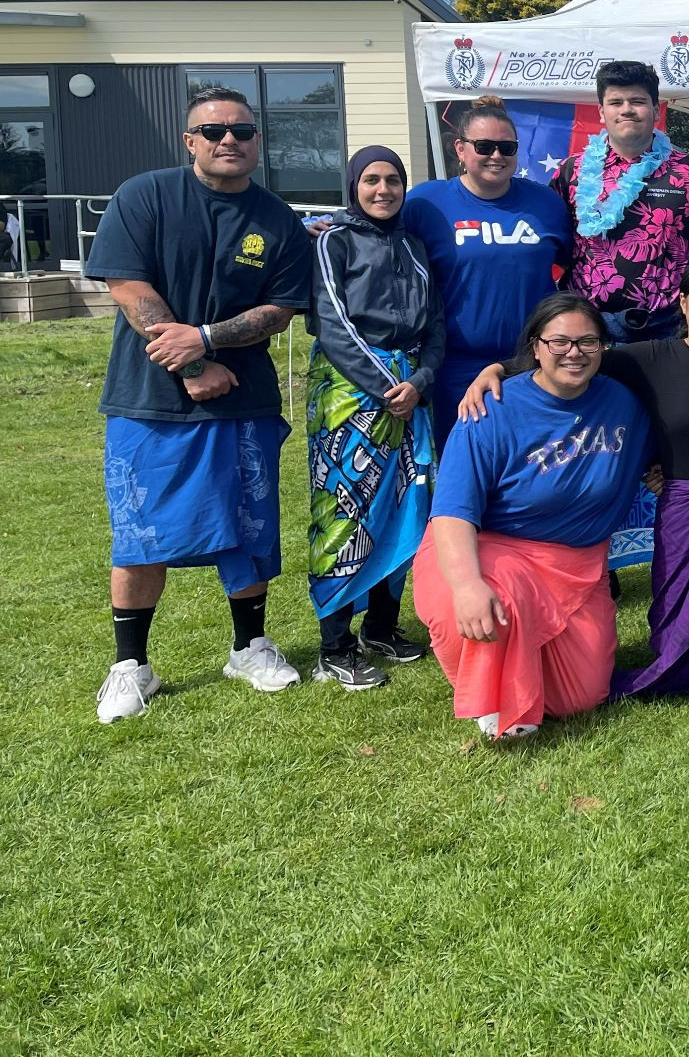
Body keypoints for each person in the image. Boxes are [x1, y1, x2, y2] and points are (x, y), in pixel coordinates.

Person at [460, 260, 689, 696]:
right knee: (683, 601)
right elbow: (572, 356)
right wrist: (498, 370)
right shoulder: (649, 359)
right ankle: (688, 659)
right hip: (685, 505)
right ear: (683, 303)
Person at [89, 86, 313, 723]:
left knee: (248, 524)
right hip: (148, 401)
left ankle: (250, 647)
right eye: (213, 131)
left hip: (243, 403)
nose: (228, 141)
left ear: (256, 141)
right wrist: (190, 362)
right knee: (139, 530)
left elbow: (283, 307)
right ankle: (132, 665)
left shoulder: (277, 219)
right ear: (190, 141)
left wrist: (210, 339)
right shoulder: (145, 196)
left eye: (242, 131)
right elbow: (128, 285)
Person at [414, 294, 651, 741]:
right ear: (536, 347)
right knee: (483, 602)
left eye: (588, 342)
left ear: (604, 346)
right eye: (559, 341)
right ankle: (499, 699)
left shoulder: (624, 402)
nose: (574, 352)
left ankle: (533, 660)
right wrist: (466, 586)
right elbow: (452, 512)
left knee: (580, 698)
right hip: (493, 547)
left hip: (577, 564)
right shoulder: (490, 408)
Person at [303, 145, 445, 690]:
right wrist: (387, 385)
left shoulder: (413, 245)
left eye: (393, 180)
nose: (383, 190)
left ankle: (382, 627)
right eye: (371, 180)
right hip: (351, 392)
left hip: (409, 389)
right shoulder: (334, 242)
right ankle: (334, 644)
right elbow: (334, 322)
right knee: (346, 507)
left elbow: (435, 324)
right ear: (353, 186)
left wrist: (420, 382)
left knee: (406, 502)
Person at [401, 95, 572, 447]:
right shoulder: (426, 202)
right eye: (485, 146)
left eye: (507, 147)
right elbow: (377, 237)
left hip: (533, 362)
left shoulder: (546, 203)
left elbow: (580, 267)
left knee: (533, 462)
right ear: (460, 149)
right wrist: (330, 226)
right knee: (465, 465)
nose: (497, 155)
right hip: (455, 364)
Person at [554, 59, 689, 344]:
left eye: (637, 101)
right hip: (589, 327)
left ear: (655, 110)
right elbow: (543, 227)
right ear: (602, 113)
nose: (626, 109)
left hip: (668, 327)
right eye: (616, 102)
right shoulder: (572, 171)